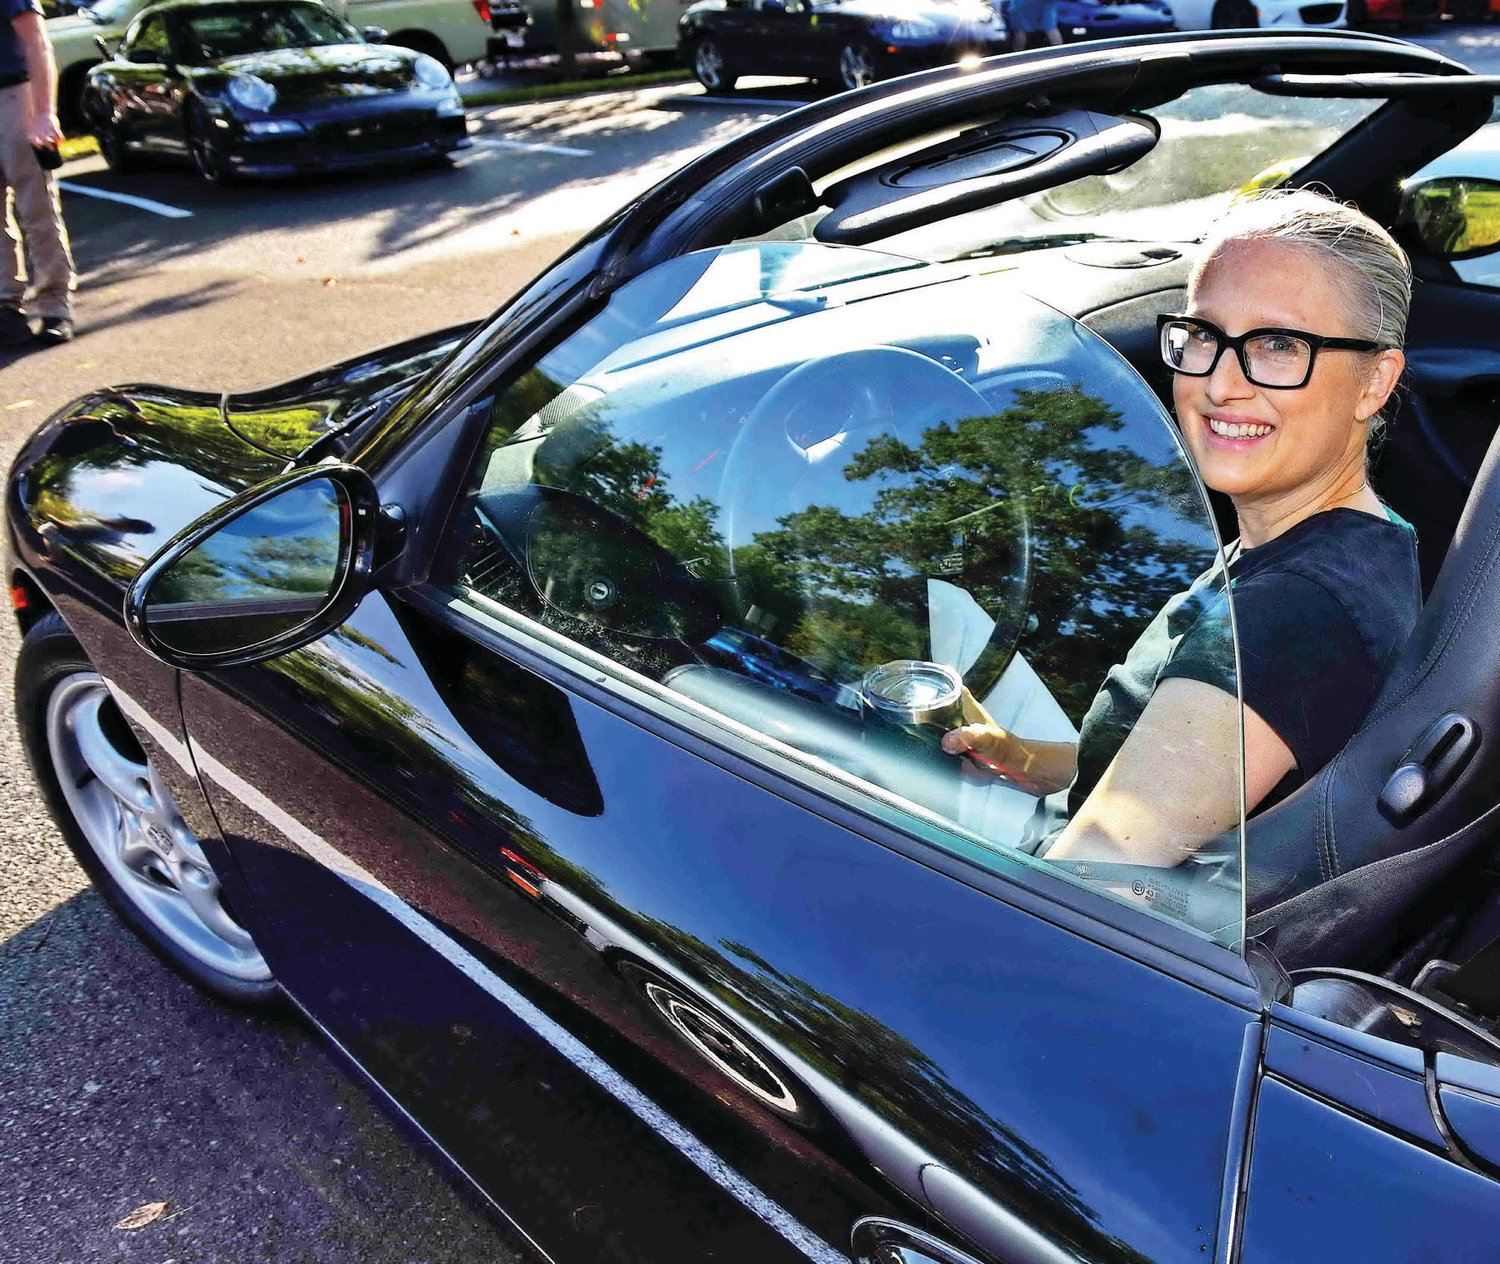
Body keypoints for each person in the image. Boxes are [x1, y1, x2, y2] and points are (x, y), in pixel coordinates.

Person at [943, 189, 1421, 871]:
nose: (1221, 384)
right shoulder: (1361, 545)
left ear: (1374, 381)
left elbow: (1093, 887)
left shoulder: (1294, 615)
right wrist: (1027, 760)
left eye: (1279, 345)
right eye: (1203, 336)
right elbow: (1184, 773)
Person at [1, 0, 75, 348]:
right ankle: (6, 305)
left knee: (37, 208)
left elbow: (36, 40)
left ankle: (54, 306)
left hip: (15, 98)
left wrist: (45, 112)